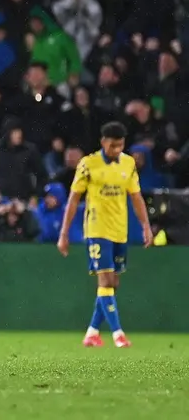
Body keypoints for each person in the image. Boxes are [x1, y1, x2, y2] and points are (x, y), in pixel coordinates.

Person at [57, 122, 152, 348]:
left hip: (120, 230)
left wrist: (146, 226)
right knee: (106, 280)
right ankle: (118, 334)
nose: (117, 150)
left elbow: (136, 197)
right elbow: (73, 199)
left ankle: (92, 332)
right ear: (103, 142)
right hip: (97, 229)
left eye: (120, 145)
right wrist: (64, 233)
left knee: (113, 283)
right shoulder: (88, 164)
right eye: (112, 146)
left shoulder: (128, 164)